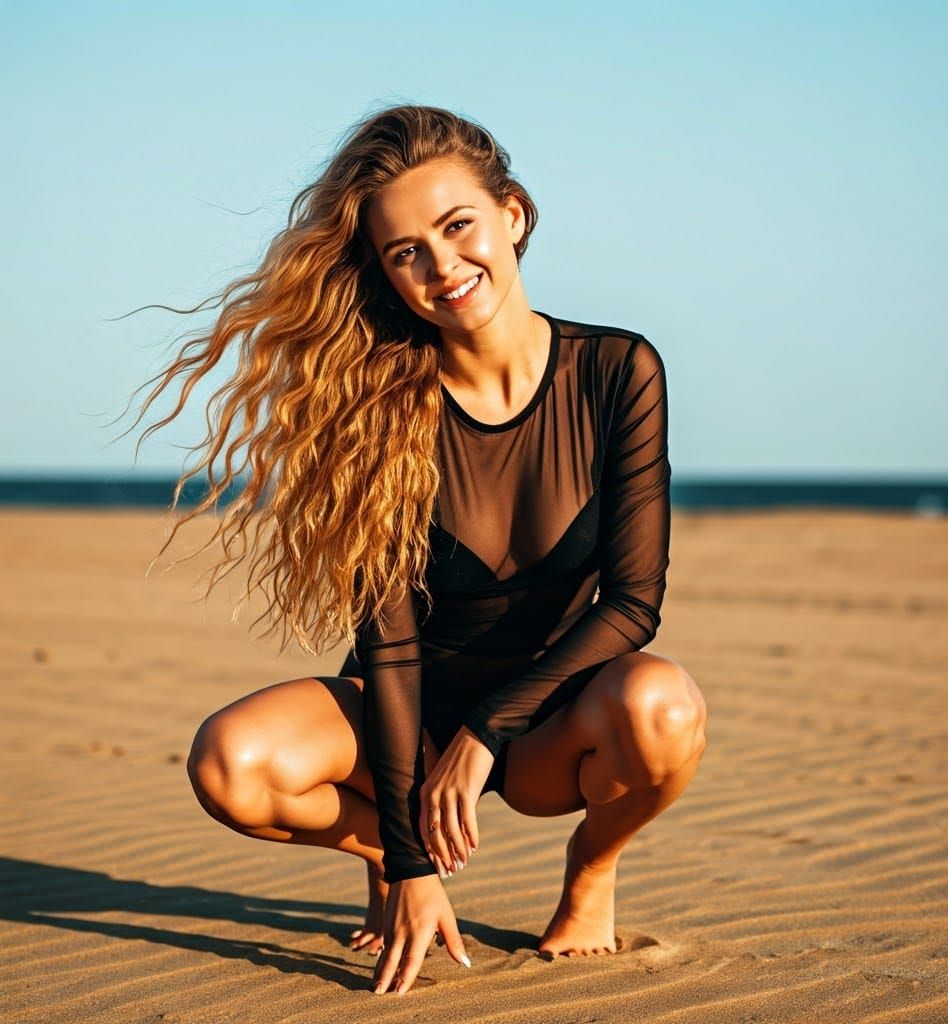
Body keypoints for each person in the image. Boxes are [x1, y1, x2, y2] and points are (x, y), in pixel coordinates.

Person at [124, 102, 708, 997]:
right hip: (404, 712)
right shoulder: (371, 410)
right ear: (387, 274)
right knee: (228, 763)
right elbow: (389, 645)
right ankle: (397, 862)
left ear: (512, 215)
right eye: (406, 252)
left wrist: (485, 733)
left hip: (549, 724)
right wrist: (406, 855)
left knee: (665, 709)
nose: (443, 266)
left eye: (458, 226)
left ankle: (591, 872)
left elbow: (632, 603)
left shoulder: (618, 371)